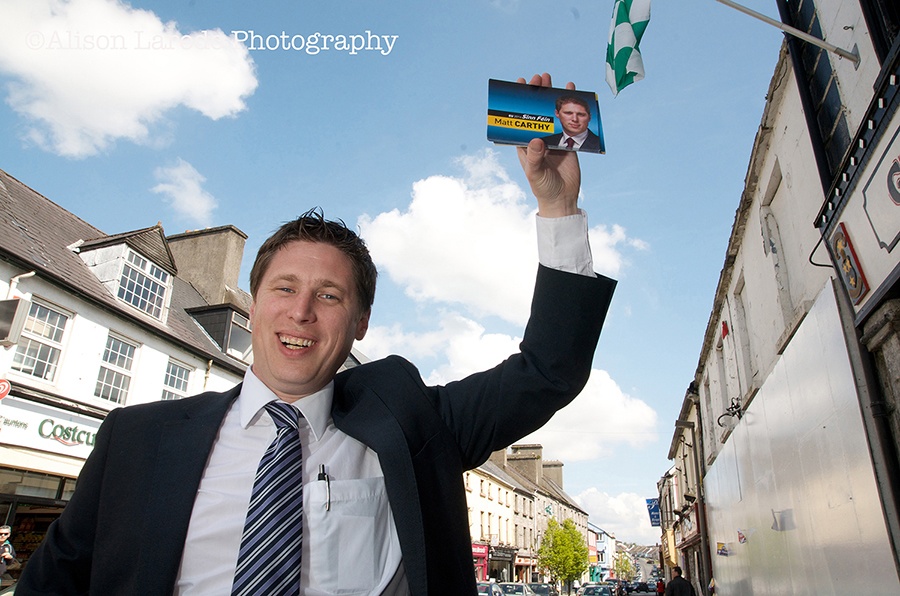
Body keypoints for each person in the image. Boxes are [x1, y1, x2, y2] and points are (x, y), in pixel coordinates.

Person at [16, 73, 617, 596]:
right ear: (253, 305)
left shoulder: (413, 422)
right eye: (283, 289)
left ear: (360, 323)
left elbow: (548, 371)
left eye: (329, 296)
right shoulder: (135, 440)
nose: (301, 310)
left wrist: (558, 207)